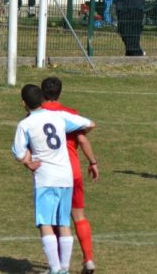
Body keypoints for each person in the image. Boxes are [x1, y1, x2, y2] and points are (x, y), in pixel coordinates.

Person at [12, 84, 95, 274]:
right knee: (64, 222)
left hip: (45, 178)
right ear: (41, 100)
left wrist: (27, 162)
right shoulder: (59, 117)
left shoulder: (25, 124)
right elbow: (89, 124)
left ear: (23, 104)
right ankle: (64, 269)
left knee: (45, 223)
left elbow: (19, 153)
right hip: (66, 177)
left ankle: (55, 269)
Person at [41, 77, 99, 274]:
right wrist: (93, 162)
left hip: (55, 172)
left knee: (56, 220)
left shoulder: (38, 116)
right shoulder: (69, 114)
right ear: (60, 93)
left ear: (42, 94)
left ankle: (57, 267)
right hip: (74, 171)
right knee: (79, 216)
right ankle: (88, 260)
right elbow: (82, 139)